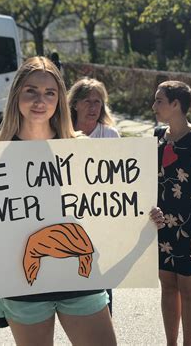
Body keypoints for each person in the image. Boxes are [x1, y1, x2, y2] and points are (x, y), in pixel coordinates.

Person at [0, 56, 117, 346]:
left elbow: (109, 207)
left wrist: (142, 216)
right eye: (31, 91)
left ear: (60, 99)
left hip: (81, 275)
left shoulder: (82, 149)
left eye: (50, 93)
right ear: (17, 96)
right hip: (22, 282)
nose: (40, 100)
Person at [150, 80, 191, 346]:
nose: (154, 106)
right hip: (162, 226)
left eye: (159, 101)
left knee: (189, 289)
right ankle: (171, 343)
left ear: (176, 104)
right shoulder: (157, 136)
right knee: (167, 287)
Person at [68, 77, 119, 314]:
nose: (93, 107)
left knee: (102, 281)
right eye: (88, 101)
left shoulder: (110, 136)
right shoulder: (61, 132)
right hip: (68, 220)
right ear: (75, 104)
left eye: (98, 102)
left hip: (100, 222)